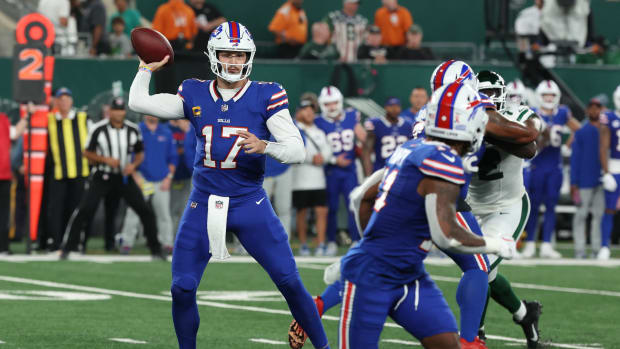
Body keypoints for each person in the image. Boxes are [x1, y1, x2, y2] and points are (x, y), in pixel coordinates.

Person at [127, 21, 329, 349]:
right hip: (203, 203)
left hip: (249, 202)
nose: (234, 61)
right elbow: (139, 102)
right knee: (182, 287)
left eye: (239, 55)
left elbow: (297, 150)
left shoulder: (267, 93)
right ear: (213, 55)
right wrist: (145, 68)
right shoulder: (193, 91)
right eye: (227, 53)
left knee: (290, 282)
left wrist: (266, 146)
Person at [338, 82, 516, 349]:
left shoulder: (411, 148)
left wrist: (371, 243)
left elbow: (361, 198)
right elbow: (445, 235)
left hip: (409, 274)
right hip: (374, 277)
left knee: (447, 343)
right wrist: (495, 244)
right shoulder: (444, 161)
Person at [470, 71, 545, 348]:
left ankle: (473, 335)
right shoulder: (459, 115)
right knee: (484, 273)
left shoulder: (519, 112)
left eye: (491, 93)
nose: (486, 99)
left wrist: (484, 131)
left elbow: (529, 147)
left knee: (478, 269)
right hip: (470, 207)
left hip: (507, 206)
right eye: (481, 93)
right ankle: (525, 314)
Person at [60, 97, 164, 259]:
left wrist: (133, 166)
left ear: (124, 112)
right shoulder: (98, 128)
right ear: (110, 111)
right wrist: (104, 160)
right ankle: (68, 248)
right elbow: (87, 152)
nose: (118, 113)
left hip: (123, 177)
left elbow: (139, 152)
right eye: (115, 110)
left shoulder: (132, 129)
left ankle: (156, 249)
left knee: (144, 210)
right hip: (102, 175)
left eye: (121, 110)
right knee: (85, 209)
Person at [523, 80, 580, 258]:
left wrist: (567, 147)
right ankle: (530, 243)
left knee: (551, 206)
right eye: (546, 95)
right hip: (536, 165)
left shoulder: (562, 112)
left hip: (555, 166)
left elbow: (578, 129)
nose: (549, 98)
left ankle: (547, 244)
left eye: (552, 95)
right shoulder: (532, 113)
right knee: (533, 206)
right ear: (539, 96)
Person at [314, 85, 366, 255]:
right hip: (330, 171)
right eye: (328, 103)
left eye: (335, 102)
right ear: (322, 104)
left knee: (354, 206)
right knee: (332, 207)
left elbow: (364, 138)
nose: (332, 106)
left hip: (350, 169)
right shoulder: (319, 122)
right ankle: (330, 241)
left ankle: (356, 240)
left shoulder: (352, 116)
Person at [119, 115, 178, 254]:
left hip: (161, 180)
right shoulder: (137, 130)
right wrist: (135, 177)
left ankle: (167, 243)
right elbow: (128, 156)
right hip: (142, 179)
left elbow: (173, 158)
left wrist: (168, 178)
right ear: (145, 114)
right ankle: (126, 242)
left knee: (163, 214)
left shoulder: (166, 132)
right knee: (134, 212)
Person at [45, 87, 91, 251]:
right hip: (58, 172)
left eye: (67, 98)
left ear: (72, 101)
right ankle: (55, 242)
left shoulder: (83, 118)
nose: (64, 102)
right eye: (61, 99)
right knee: (55, 210)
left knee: (76, 210)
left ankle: (74, 243)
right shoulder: (49, 119)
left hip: (80, 172)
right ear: (55, 101)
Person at [293, 98, 332, 256]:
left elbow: (327, 151)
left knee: (321, 211)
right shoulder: (294, 130)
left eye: (311, 109)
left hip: (318, 179)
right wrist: (311, 158)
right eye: (305, 109)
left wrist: (323, 158)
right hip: (299, 181)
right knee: (301, 212)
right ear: (299, 112)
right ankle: (303, 245)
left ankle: (321, 244)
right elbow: (294, 150)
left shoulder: (319, 132)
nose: (309, 112)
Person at [571, 98, 604, 259]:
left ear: (601, 110)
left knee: (599, 216)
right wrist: (573, 183)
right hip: (584, 181)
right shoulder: (581, 132)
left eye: (597, 108)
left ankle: (597, 250)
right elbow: (575, 158)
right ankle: (580, 250)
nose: (594, 111)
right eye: (591, 108)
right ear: (587, 111)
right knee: (581, 216)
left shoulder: (607, 130)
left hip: (603, 180)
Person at [361, 97, 413, 176]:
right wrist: (368, 175)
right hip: (381, 170)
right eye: (391, 106)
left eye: (397, 106)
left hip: (402, 170)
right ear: (386, 107)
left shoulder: (408, 125)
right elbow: (366, 151)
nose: (394, 109)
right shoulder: (376, 124)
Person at [1, 113, 27, 254]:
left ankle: (3, 246)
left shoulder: (3, 119)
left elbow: (15, 133)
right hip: (4, 173)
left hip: (4, 175)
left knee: (4, 213)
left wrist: (27, 116)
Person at [599, 85, 620, 260]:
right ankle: (604, 245)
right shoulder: (609, 117)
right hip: (615, 168)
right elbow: (604, 146)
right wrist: (606, 172)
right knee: (609, 209)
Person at [168, 119, 194, 232]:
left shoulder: (193, 131)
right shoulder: (167, 129)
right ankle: (170, 238)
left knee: (186, 209)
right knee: (172, 208)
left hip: (190, 175)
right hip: (172, 176)